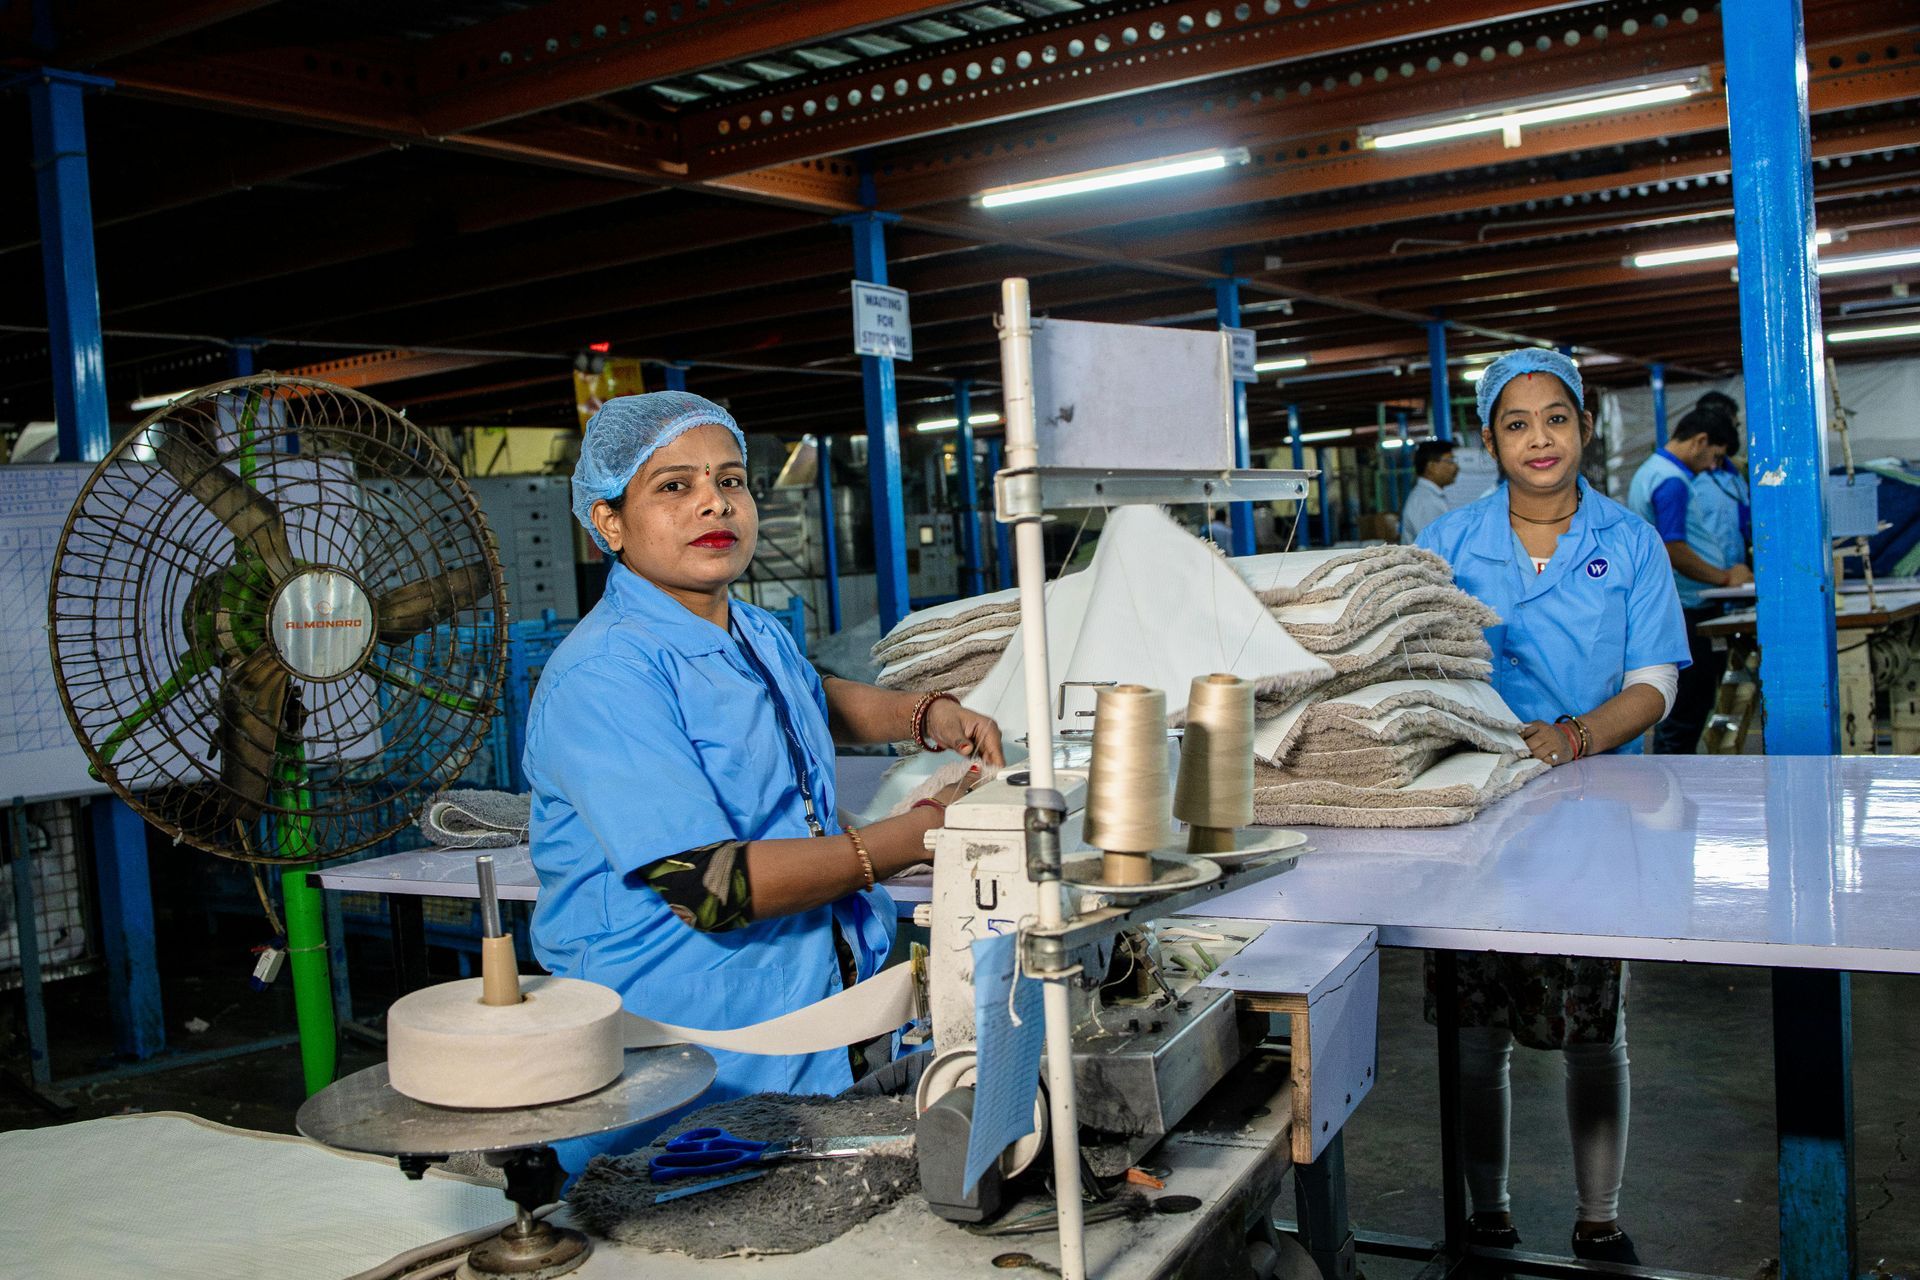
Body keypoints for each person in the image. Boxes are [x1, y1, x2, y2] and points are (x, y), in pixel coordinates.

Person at [524, 391, 1004, 1169]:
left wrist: (925, 713)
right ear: (607, 522)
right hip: (692, 1053)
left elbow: (803, 697)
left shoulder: (747, 626)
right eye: (673, 486)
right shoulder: (607, 675)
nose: (714, 501)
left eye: (733, 480)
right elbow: (711, 886)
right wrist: (919, 834)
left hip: (806, 1023)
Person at [1416, 348, 1691, 1265]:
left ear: (1583, 428)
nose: (1540, 439)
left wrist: (1575, 736)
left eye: (1557, 419)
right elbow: (1413, 673)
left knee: (1593, 1030)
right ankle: (1486, 1210)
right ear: (1491, 440)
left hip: (1597, 816)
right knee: (1474, 1038)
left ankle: (1598, 1215)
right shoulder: (1448, 548)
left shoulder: (1632, 540)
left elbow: (1655, 680)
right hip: (1479, 819)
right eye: (1516, 424)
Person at [1627, 407, 1754, 753]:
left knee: (1683, 709)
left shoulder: (1652, 471)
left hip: (1680, 603)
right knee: (1687, 711)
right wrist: (1725, 578)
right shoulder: (1672, 481)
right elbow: (1674, 548)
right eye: (1715, 455)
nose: (1714, 466)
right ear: (1700, 441)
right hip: (1690, 607)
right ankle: (1674, 787)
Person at [1399, 438, 1458, 542]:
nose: (1456, 467)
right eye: (1450, 461)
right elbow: (1433, 545)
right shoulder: (1425, 500)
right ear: (1431, 467)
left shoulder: (1430, 495)